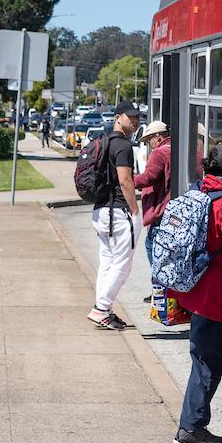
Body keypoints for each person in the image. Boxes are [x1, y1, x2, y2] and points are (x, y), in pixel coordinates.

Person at [173, 142, 222, 443]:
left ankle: (192, 424)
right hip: (219, 295)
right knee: (207, 362)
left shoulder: (201, 191)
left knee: (203, 357)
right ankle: (190, 427)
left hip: (198, 290)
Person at [87, 100, 142, 331]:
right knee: (122, 264)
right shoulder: (123, 146)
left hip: (101, 211)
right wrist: (135, 210)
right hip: (119, 212)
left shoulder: (104, 141)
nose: (135, 120)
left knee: (108, 262)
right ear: (118, 117)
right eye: (131, 117)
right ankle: (101, 309)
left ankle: (104, 311)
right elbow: (125, 180)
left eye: (138, 117)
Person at [133, 120, 172, 266]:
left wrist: (129, 181)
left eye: (150, 140)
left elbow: (149, 177)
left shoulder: (159, 152)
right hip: (175, 208)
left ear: (158, 137)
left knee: (152, 246)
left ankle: (158, 286)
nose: (150, 144)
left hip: (161, 210)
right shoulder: (179, 148)